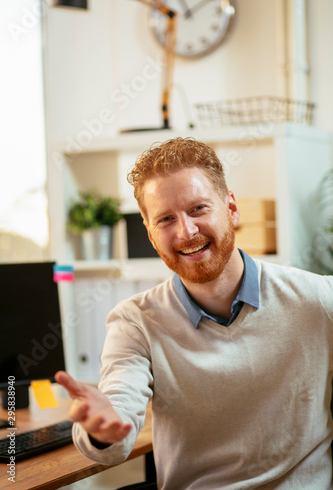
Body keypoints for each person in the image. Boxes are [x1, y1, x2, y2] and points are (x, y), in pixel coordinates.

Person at [56, 137, 333, 489]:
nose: (186, 232)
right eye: (166, 219)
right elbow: (116, 423)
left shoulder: (319, 298)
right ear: (152, 235)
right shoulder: (134, 322)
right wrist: (101, 430)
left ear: (231, 208)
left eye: (198, 209)